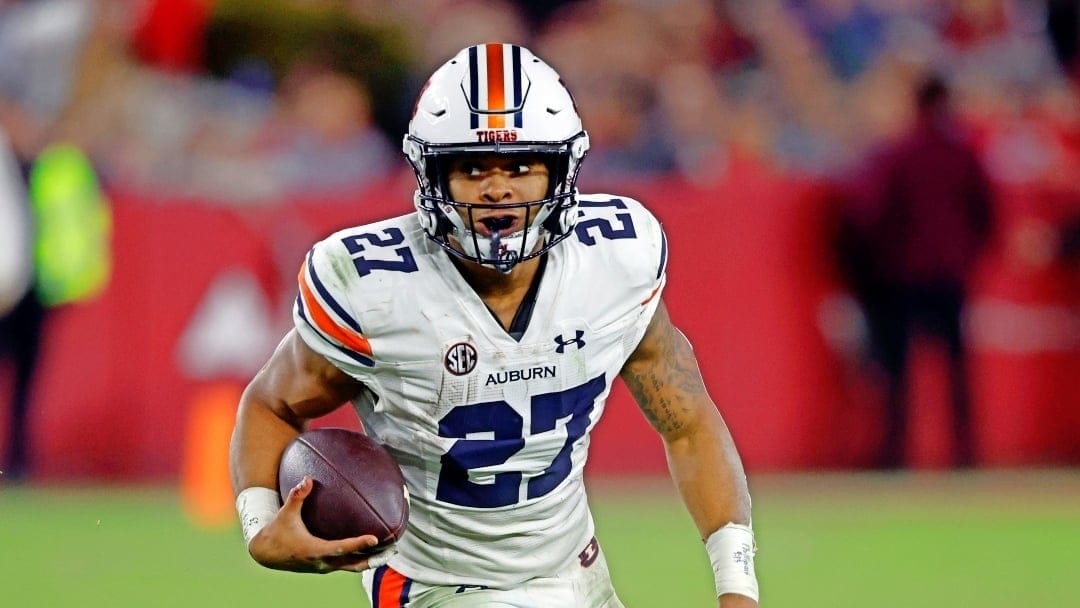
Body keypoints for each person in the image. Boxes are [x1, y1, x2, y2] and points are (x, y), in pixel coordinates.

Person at [230, 43, 759, 607]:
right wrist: (260, 526)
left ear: (561, 172)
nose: (498, 188)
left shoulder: (616, 260)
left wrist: (737, 586)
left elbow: (688, 421)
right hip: (438, 586)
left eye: (522, 165)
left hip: (578, 572)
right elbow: (271, 402)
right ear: (433, 175)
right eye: (472, 167)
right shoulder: (373, 287)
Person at [836, 72, 994, 469]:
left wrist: (877, 265)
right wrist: (967, 255)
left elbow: (871, 214)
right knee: (956, 369)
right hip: (950, 276)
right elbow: (986, 215)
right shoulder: (963, 155)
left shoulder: (900, 155)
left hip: (904, 277)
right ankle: (965, 453)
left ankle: (895, 454)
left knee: (898, 371)